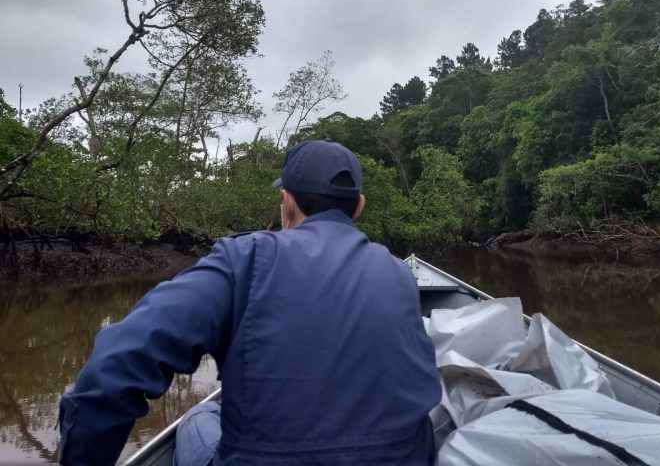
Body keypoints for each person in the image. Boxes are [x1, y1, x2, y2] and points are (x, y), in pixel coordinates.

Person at [58, 139, 441, 465]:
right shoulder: (399, 273)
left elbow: (115, 367)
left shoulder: (244, 259)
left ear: (286, 202)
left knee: (200, 414)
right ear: (358, 207)